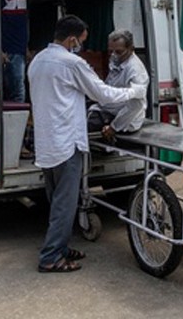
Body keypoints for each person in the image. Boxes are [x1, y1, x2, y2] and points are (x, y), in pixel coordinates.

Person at [28, 15, 147, 273]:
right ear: (72, 39)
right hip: (66, 144)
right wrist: (134, 92)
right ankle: (50, 257)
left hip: (46, 143)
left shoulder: (37, 60)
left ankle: (60, 247)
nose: (81, 45)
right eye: (81, 41)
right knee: (65, 204)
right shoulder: (72, 63)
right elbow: (103, 94)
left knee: (56, 200)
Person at [87, 29, 149, 143]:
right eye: (111, 51)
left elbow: (136, 105)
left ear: (131, 49)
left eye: (118, 52)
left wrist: (114, 127)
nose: (114, 55)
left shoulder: (135, 70)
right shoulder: (117, 60)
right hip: (107, 109)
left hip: (123, 118)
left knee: (81, 126)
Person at [0, 0, 34, 102]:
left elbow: (21, 22)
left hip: (19, 49)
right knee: (17, 94)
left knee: (18, 90)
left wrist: (25, 48)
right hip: (9, 50)